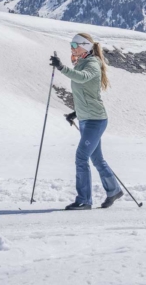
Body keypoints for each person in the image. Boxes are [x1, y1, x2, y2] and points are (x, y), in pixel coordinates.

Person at [50, 33, 124, 210]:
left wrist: (61, 67)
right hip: (86, 119)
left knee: (81, 157)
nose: (72, 47)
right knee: (97, 159)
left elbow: (82, 78)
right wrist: (75, 113)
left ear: (86, 46)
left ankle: (84, 200)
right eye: (71, 44)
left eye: (76, 44)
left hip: (95, 120)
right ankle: (114, 190)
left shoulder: (92, 64)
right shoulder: (82, 62)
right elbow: (86, 93)